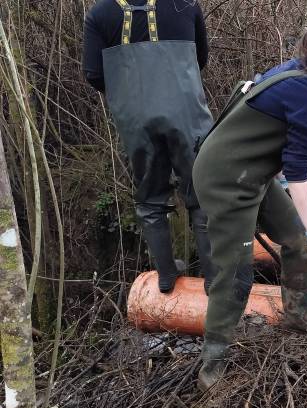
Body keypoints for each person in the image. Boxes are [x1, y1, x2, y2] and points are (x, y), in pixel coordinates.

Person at [192, 18, 307, 392]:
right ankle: (212, 366)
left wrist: (303, 234)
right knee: (236, 273)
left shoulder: (302, 74)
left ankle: (298, 317)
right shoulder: (305, 89)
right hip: (226, 180)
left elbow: (280, 147)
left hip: (254, 174)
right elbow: (299, 169)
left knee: (299, 248)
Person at [82, 0, 214, 293]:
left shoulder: (100, 13)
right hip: (187, 112)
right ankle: (214, 280)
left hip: (135, 119)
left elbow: (93, 73)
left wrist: (128, 93)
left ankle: (166, 275)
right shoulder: (186, 5)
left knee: (150, 196)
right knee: (204, 191)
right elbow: (200, 58)